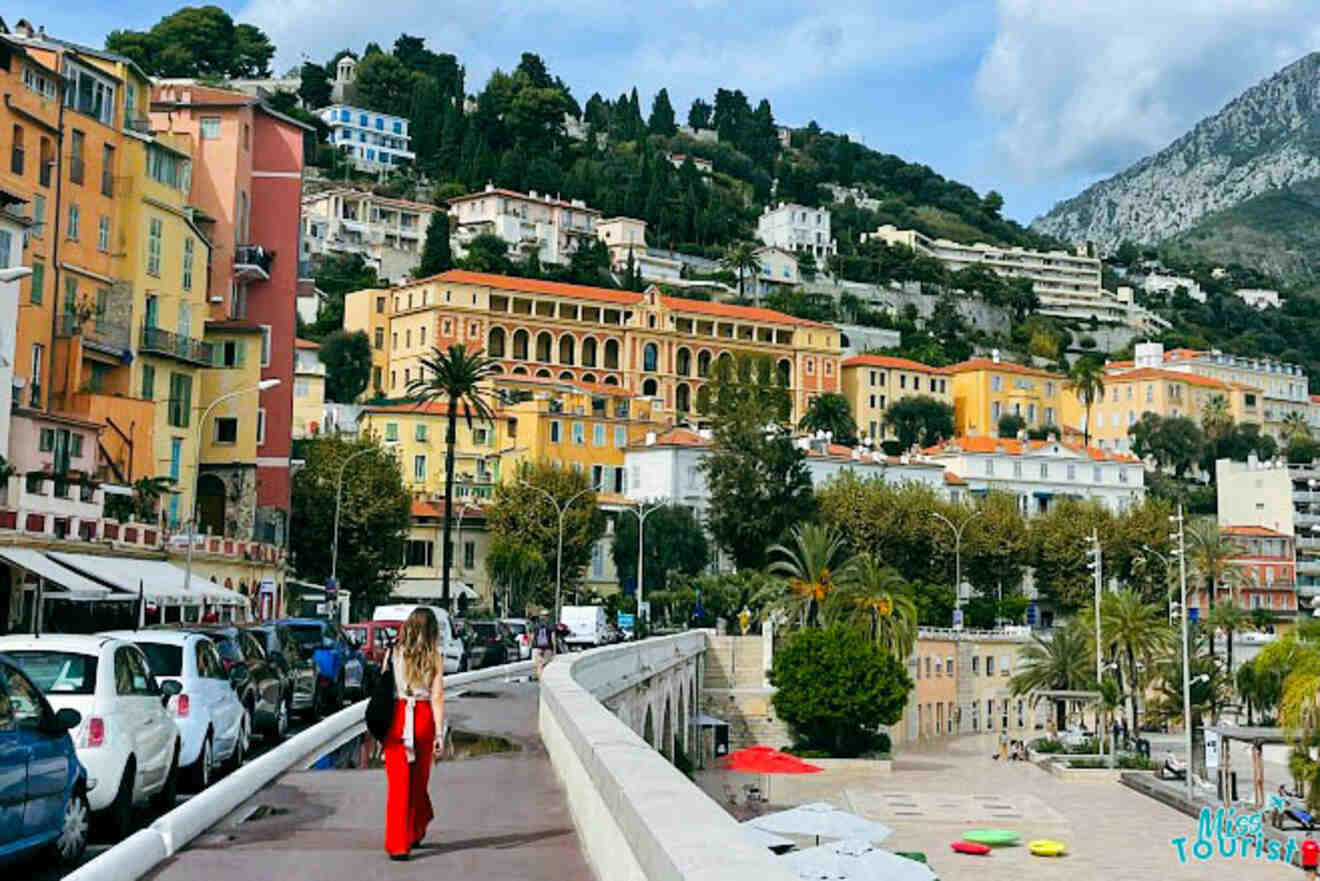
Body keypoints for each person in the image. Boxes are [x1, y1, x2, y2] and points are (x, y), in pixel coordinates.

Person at [381, 608, 446, 862]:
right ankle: (417, 825)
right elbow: (437, 697)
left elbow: (385, 687)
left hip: (397, 718)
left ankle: (398, 844)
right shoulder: (435, 657)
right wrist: (439, 733)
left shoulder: (393, 652)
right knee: (418, 783)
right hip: (422, 718)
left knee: (398, 786)